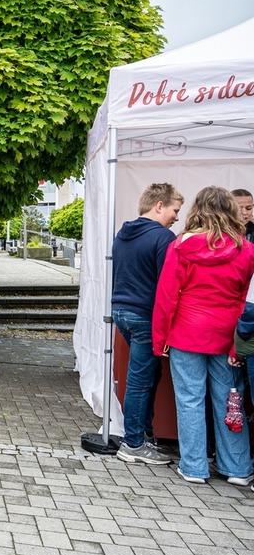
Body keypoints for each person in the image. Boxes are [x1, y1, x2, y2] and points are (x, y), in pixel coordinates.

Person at [152, 185, 254, 485]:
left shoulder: (181, 245)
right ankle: (236, 467)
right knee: (229, 400)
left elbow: (167, 296)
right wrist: (241, 346)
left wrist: (161, 340)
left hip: (186, 332)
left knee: (189, 400)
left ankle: (194, 466)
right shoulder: (246, 250)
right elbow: (247, 300)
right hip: (228, 335)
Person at [111, 183, 182, 466]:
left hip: (122, 312)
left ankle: (142, 435)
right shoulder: (163, 238)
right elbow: (169, 284)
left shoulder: (123, 233)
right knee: (142, 380)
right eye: (175, 210)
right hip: (145, 316)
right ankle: (134, 444)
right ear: (159, 206)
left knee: (147, 377)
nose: (177, 217)